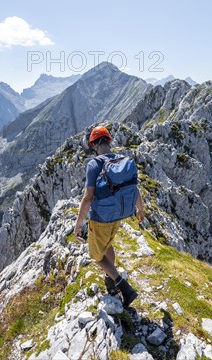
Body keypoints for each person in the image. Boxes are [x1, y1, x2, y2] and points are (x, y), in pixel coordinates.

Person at [74, 125, 144, 308]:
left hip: (100, 218)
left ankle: (123, 286)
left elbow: (88, 197)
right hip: (119, 215)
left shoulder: (94, 164)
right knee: (107, 245)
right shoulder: (124, 161)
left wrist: (78, 223)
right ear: (109, 141)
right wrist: (140, 210)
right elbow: (133, 188)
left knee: (96, 255)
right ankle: (110, 279)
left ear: (94, 144)